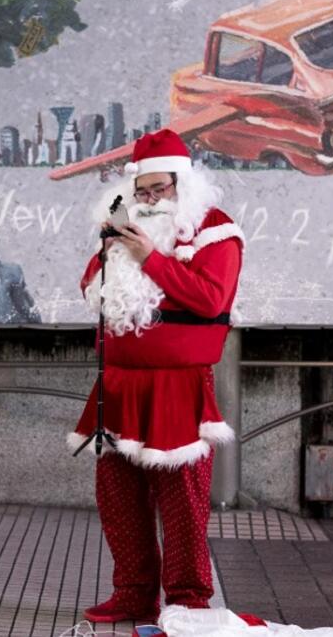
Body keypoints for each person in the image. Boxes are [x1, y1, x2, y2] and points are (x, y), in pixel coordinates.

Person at [67, 129, 245, 623]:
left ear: (182, 185)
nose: (148, 201)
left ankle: (189, 601)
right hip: (119, 382)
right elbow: (90, 286)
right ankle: (133, 592)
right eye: (141, 192)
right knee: (118, 495)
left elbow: (212, 299)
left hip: (177, 385)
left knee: (183, 500)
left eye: (158, 191)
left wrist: (150, 258)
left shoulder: (215, 232)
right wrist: (113, 257)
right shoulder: (124, 230)